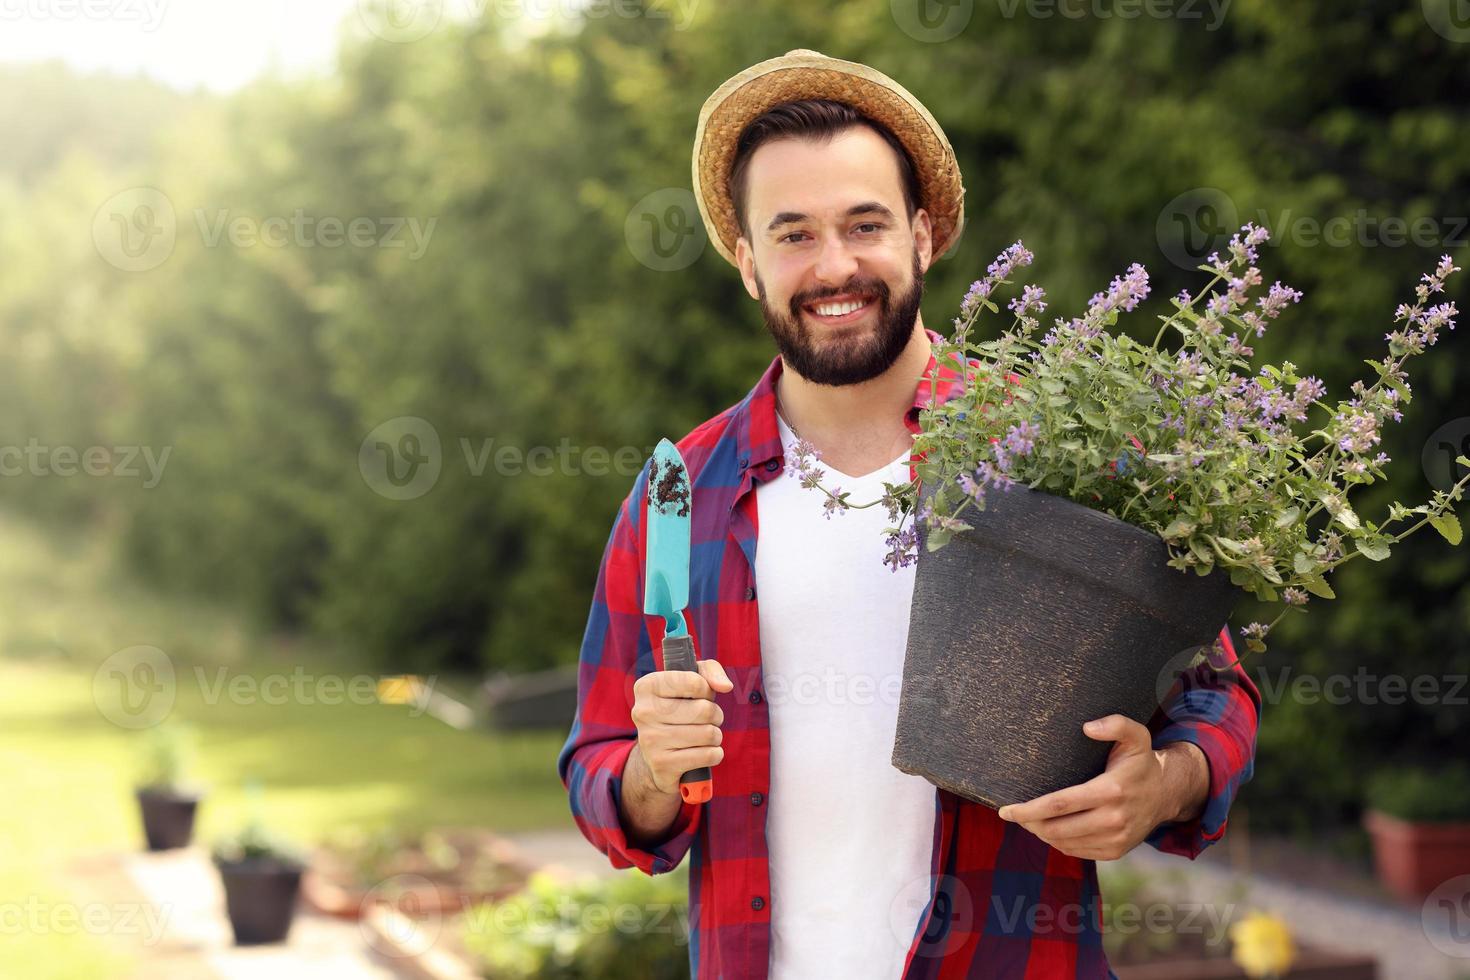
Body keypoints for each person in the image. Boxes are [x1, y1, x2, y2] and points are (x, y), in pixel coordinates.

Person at [557, 48, 1261, 980]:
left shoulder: (1054, 452)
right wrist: (651, 772)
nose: (835, 265)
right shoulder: (678, 496)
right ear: (748, 263)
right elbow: (599, 773)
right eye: (794, 234)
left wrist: (1166, 781)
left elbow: (1219, 691)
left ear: (923, 236)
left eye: (865, 224)